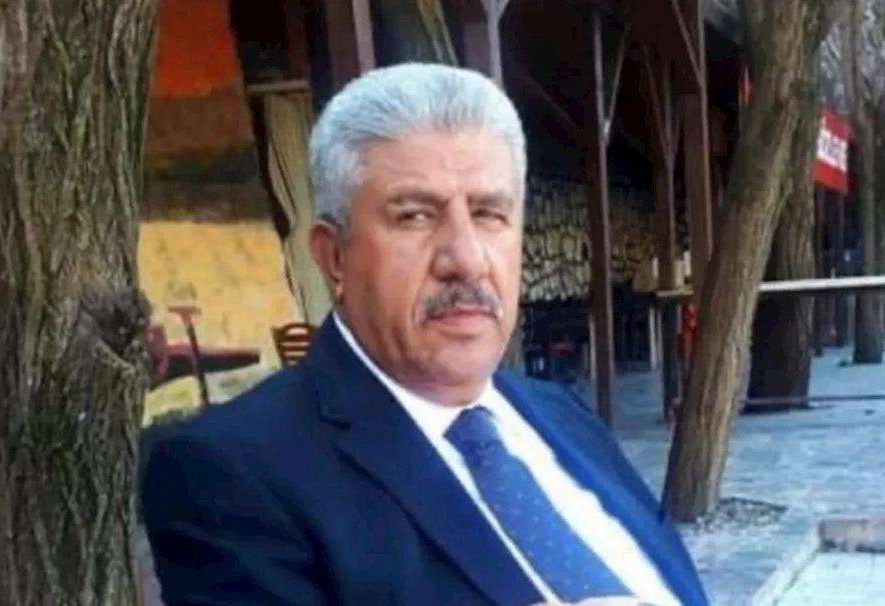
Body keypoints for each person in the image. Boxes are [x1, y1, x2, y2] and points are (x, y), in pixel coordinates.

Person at [141, 63, 708, 606]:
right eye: (414, 215)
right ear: (335, 258)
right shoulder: (230, 475)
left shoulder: (562, 414)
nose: (466, 259)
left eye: (489, 214)